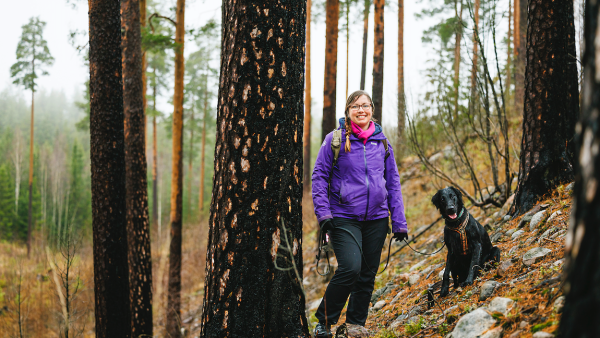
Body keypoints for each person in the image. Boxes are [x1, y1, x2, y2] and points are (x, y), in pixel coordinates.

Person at [312, 90, 408, 337]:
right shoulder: (333, 140)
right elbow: (319, 177)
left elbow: (393, 183)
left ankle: (355, 325)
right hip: (343, 217)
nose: (361, 110)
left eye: (365, 106)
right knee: (350, 268)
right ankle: (324, 322)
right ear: (348, 111)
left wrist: (398, 221)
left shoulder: (382, 142)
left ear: (372, 110)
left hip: (376, 219)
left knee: (366, 275)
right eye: (356, 106)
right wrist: (324, 215)